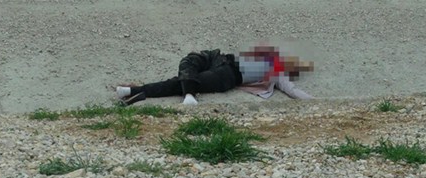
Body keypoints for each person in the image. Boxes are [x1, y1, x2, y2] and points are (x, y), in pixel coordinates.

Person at [116, 46, 314, 106]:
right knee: (187, 65)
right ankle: (188, 95)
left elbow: (293, 90)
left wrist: (315, 102)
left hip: (226, 74)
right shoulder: (265, 61)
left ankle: (133, 91)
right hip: (219, 62)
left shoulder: (277, 71)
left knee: (178, 82)